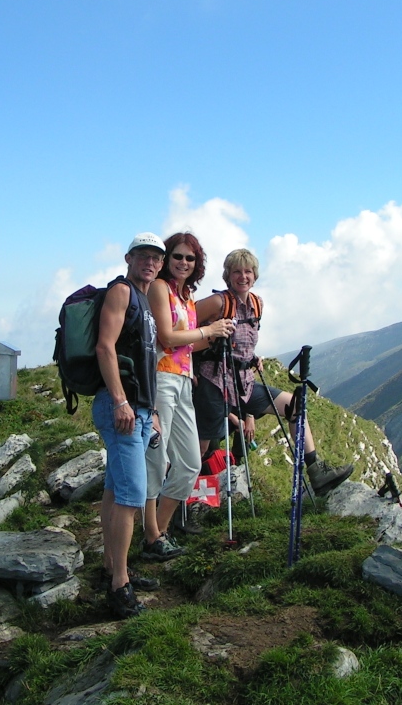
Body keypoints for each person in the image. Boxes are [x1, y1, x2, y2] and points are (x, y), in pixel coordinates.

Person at [193, 248, 354, 496]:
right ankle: (181, 499)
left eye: (248, 271)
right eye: (236, 271)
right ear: (227, 276)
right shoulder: (218, 303)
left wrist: (252, 358)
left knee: (294, 406)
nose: (243, 276)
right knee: (202, 446)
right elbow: (183, 325)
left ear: (255, 275)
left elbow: (244, 342)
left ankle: (316, 472)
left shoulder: (257, 304)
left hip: (244, 385)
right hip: (214, 383)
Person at [143, 233, 235, 560]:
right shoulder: (159, 288)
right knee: (156, 460)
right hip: (160, 379)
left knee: (190, 463)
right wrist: (208, 331)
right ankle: (153, 537)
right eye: (178, 256)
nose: (184, 263)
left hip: (183, 379)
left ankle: (158, 531)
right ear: (167, 258)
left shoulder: (186, 296)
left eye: (190, 259)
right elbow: (167, 336)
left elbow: (187, 344)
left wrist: (217, 337)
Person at [94, 232, 166, 618]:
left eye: (156, 258)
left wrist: (149, 409)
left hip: (139, 409)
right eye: (143, 256)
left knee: (114, 488)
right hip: (120, 408)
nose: (150, 263)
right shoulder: (121, 292)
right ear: (128, 258)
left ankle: (112, 567)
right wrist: (121, 400)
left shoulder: (146, 301)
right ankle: (119, 586)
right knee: (132, 496)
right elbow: (105, 347)